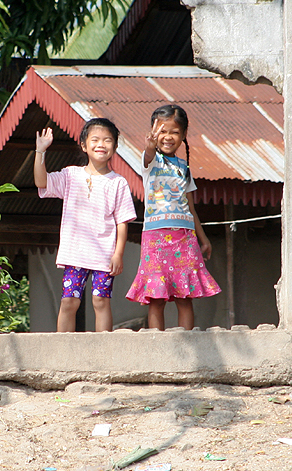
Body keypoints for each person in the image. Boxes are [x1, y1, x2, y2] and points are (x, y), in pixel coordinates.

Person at [34, 118, 136, 332]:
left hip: (104, 255)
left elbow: (122, 222)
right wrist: (40, 152)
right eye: (95, 139)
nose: (101, 144)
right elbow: (41, 182)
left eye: (108, 140)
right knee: (69, 302)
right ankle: (63, 351)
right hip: (75, 253)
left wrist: (118, 254)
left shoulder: (119, 183)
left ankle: (103, 352)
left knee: (101, 301)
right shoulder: (71, 175)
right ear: (83, 145)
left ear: (115, 147)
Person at [125, 104, 221, 330]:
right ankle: (157, 347)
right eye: (163, 131)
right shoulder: (149, 162)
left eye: (175, 132)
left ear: (184, 135)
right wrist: (149, 148)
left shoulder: (184, 168)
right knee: (156, 299)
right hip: (156, 238)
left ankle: (187, 345)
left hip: (185, 238)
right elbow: (148, 155)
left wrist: (203, 238)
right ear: (153, 132)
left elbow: (191, 208)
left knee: (184, 297)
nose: (168, 137)